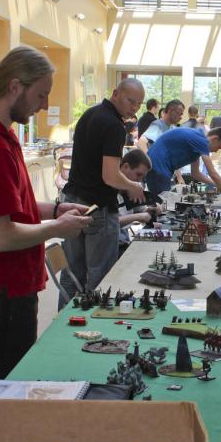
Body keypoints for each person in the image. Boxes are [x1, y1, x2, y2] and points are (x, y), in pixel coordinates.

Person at [0, 46, 91, 379]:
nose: (44, 105)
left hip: (6, 287)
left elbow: (12, 207)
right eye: (41, 95)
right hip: (0, 289)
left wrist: (56, 209)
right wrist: (57, 227)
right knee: (4, 386)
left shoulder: (1, 136)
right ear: (15, 86)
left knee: (6, 381)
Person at [60, 78, 146, 299]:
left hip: (73, 200)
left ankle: (66, 317)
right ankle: (96, 318)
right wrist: (133, 186)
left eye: (139, 104)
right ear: (115, 94)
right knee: (101, 275)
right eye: (131, 101)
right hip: (98, 206)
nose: (134, 108)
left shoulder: (91, 114)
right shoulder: (114, 125)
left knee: (72, 272)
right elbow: (110, 176)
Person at [146, 127, 221, 199]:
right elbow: (212, 172)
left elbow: (196, 173)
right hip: (158, 166)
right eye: (218, 147)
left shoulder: (197, 141)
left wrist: (220, 186)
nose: (216, 151)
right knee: (163, 202)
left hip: (157, 165)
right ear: (215, 139)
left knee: (162, 202)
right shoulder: (202, 141)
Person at [117, 148, 159, 256]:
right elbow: (109, 223)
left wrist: (151, 209)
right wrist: (137, 217)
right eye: (138, 174)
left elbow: (140, 211)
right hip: (112, 247)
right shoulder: (109, 191)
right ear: (125, 167)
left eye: (142, 177)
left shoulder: (130, 190)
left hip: (123, 242)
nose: (139, 180)